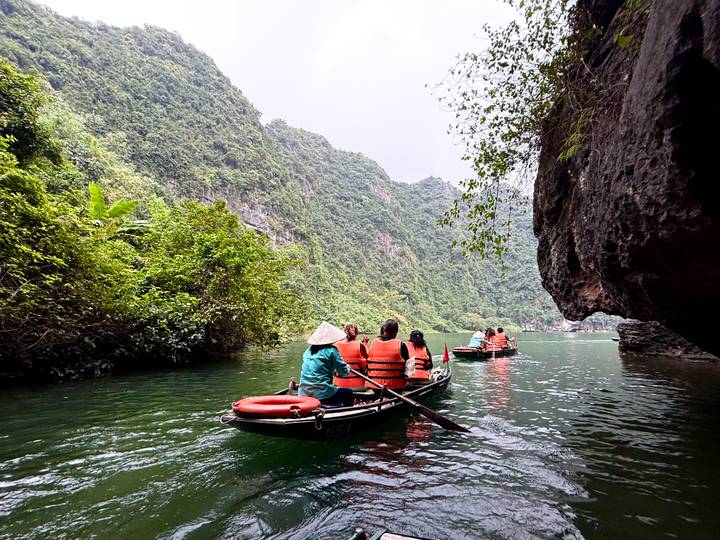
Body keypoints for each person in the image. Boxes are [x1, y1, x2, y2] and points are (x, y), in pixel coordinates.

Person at [298, 321, 354, 407]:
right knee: (348, 393)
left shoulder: (308, 351)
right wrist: (347, 368)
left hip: (303, 393)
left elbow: (319, 369)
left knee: (334, 388)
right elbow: (343, 372)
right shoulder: (332, 350)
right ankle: (347, 414)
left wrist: (332, 372)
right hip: (322, 394)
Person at [366, 318, 409, 392]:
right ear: (396, 332)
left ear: (383, 330)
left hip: (375, 387)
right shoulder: (401, 345)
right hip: (395, 388)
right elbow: (409, 368)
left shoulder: (373, 343)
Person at [333, 322, 369, 389]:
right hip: (358, 386)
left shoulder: (336, 345)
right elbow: (367, 360)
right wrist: (365, 344)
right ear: (356, 332)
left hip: (338, 385)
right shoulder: (360, 345)